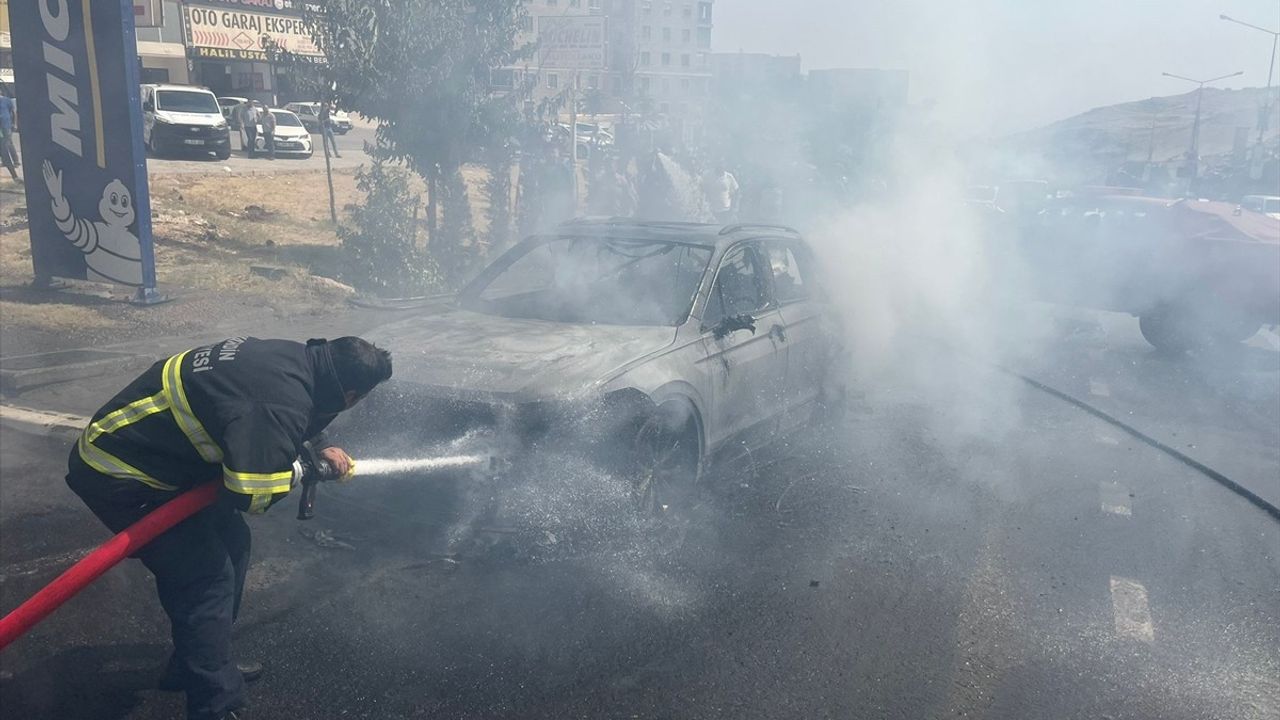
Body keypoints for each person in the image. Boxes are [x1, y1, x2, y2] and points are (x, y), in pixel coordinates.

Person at [66, 336, 392, 720]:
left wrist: (317, 444)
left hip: (163, 463)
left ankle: (199, 663)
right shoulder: (276, 401)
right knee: (206, 576)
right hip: (121, 474)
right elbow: (253, 494)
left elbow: (281, 409)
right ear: (350, 395)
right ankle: (215, 705)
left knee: (233, 544)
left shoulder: (298, 360)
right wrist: (303, 469)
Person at [0, 87, 19, 181]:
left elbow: (13, 112)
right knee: (4, 151)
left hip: (6, 127)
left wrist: (14, 123)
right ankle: (14, 174)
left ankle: (16, 162)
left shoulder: (6, 100)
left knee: (8, 146)